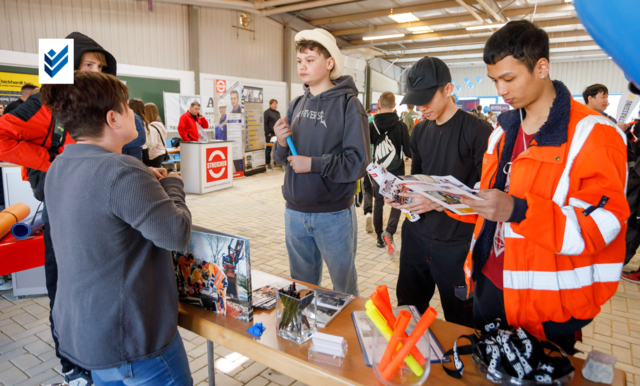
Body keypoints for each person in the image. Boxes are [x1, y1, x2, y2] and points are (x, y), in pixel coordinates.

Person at [449, 20, 628, 354]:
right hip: (490, 286)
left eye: (509, 78)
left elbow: (603, 224)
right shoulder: (502, 133)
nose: (501, 90)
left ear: (541, 67)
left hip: (549, 304)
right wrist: (446, 200)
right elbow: (490, 205)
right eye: (494, 80)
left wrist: (518, 210)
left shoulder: (595, 134)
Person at [41, 70, 193, 385]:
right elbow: (175, 233)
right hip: (132, 341)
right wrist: (174, 187)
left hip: (85, 335)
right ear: (113, 118)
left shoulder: (58, 167)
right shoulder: (123, 170)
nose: (133, 115)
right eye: (127, 108)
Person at [0, 31, 121, 386]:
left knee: (98, 282)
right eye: (88, 64)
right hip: (61, 207)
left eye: (100, 65)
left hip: (100, 205)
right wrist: (53, 160)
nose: (95, 70)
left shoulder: (99, 104)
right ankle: (72, 365)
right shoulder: (46, 103)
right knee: (65, 288)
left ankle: (100, 351)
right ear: (68, 65)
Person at [386, 56, 492, 326]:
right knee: (408, 311)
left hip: (456, 242)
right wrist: (400, 193)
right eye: (415, 99)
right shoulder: (420, 131)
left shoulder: (478, 131)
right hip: (417, 237)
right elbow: (419, 178)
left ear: (448, 89)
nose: (421, 107)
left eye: (427, 98)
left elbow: (489, 194)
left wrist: (437, 201)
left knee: (461, 320)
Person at [272, 28, 369, 296]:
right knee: (302, 288)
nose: (302, 67)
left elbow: (358, 162)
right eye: (299, 61)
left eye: (310, 60)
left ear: (329, 63)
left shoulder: (349, 105)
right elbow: (282, 160)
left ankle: (346, 335)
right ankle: (305, 335)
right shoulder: (296, 104)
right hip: (294, 213)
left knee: (344, 288)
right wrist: (280, 143)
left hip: (334, 215)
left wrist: (313, 164)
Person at [370, 91, 411, 253]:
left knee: (378, 202)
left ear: (379, 105)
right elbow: (408, 151)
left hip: (378, 171)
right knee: (397, 202)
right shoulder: (400, 126)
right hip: (396, 172)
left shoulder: (371, 125)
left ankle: (379, 236)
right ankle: (390, 230)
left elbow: (367, 147)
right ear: (394, 106)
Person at [128, 98, 153, 165]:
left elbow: (141, 139)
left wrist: (123, 144)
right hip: (144, 149)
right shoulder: (145, 120)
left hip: (138, 151)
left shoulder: (136, 119)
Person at [145, 102, 169, 168]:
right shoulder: (160, 125)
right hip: (161, 153)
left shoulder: (151, 126)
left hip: (154, 155)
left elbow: (153, 143)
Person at [264, 99, 281, 170]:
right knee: (269, 149)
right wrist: (267, 133)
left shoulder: (277, 113)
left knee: (276, 148)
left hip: (277, 134)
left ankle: (275, 162)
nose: (276, 105)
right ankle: (267, 163)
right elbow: (264, 123)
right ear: (270, 104)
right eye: (274, 104)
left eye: (276, 104)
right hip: (270, 134)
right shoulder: (266, 112)